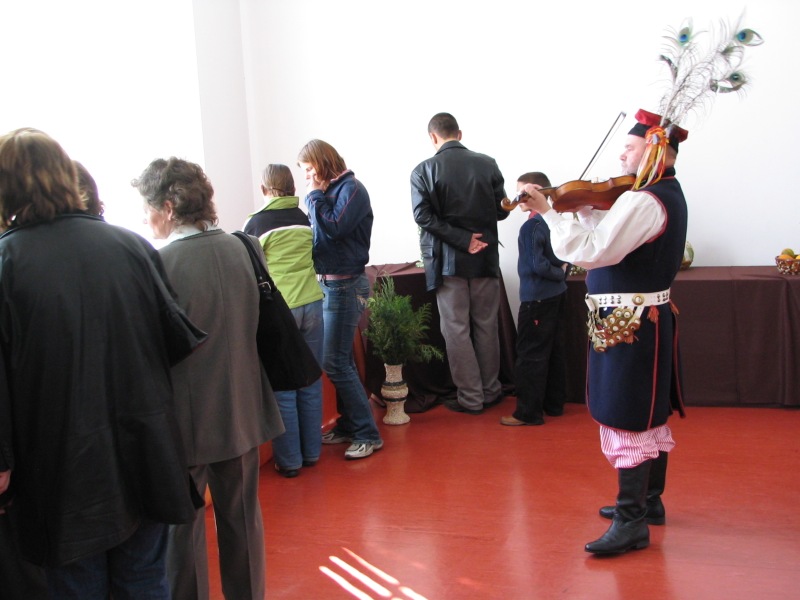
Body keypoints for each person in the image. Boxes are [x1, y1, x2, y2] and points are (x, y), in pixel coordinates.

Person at [0, 128, 203, 598]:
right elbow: (176, 342)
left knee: (78, 588)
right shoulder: (130, 247)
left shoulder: (8, 262)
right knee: (144, 580)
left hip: (63, 470)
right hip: (145, 453)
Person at [518, 109, 688, 555]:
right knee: (644, 411)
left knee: (629, 412)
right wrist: (585, 211)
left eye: (629, 148)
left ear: (655, 149)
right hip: (637, 321)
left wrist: (549, 214)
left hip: (632, 324)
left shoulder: (645, 200)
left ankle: (632, 521)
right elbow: (614, 240)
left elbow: (593, 252)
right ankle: (648, 503)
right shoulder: (655, 194)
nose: (621, 156)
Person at [132, 157, 285, 598]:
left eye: (147, 208)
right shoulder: (245, 247)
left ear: (167, 207)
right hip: (242, 406)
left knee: (184, 533)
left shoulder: (159, 264)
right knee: (243, 520)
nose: (145, 218)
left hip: (185, 419)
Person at [410, 112, 511, 415]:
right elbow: (502, 211)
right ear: (460, 133)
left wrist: (462, 239)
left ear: (433, 137)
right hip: (485, 258)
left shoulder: (423, 170)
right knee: (486, 326)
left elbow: (422, 216)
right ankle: (491, 391)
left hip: (448, 262)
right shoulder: (488, 163)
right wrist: (472, 236)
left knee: (456, 329)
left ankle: (470, 398)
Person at [297, 139, 383, 460]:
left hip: (345, 286)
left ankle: (367, 434)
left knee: (333, 361)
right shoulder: (331, 191)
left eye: (309, 168)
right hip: (331, 285)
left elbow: (334, 228)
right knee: (341, 360)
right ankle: (350, 425)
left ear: (322, 163)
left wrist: (314, 197)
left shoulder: (352, 190)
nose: (307, 176)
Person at [243, 164, 324, 477]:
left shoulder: (256, 223)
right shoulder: (304, 218)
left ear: (264, 189)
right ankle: (312, 452)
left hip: (282, 310)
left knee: (284, 385)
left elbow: (249, 269)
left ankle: (290, 461)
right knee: (310, 378)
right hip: (313, 303)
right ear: (291, 187)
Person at [500, 172, 569, 427]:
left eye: (522, 193)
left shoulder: (532, 226)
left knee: (530, 355)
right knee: (554, 350)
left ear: (537, 190)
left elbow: (537, 266)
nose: (517, 199)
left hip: (537, 298)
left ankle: (527, 412)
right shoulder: (556, 221)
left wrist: (558, 273)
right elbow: (567, 255)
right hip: (556, 295)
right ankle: (554, 404)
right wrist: (561, 274)